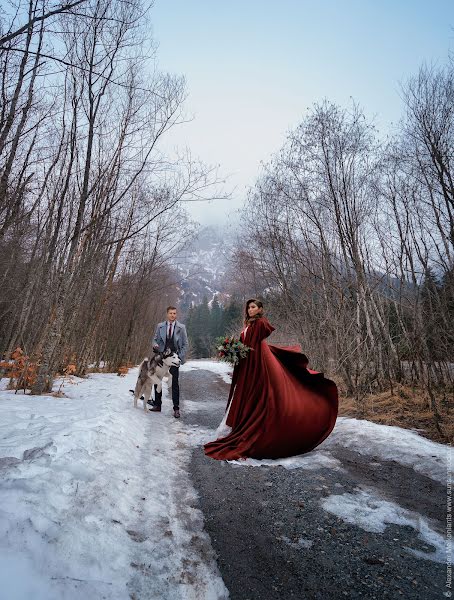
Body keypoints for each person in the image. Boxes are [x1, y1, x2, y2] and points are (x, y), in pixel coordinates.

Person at [204, 299, 338, 460]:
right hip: (248, 365)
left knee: (260, 396)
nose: (250, 310)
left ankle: (262, 431)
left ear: (260, 309)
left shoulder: (260, 323)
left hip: (257, 364)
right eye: (248, 307)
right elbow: (245, 344)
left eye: (253, 307)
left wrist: (243, 347)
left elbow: (262, 333)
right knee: (244, 396)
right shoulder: (249, 324)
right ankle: (238, 426)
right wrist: (231, 349)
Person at [149, 306, 188, 419]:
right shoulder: (160, 326)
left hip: (174, 359)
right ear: (167, 314)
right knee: (157, 381)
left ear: (176, 315)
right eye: (170, 313)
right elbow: (155, 339)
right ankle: (157, 405)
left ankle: (176, 409)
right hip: (161, 358)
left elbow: (186, 344)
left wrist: (179, 357)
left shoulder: (181, 327)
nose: (172, 315)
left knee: (175, 383)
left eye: (174, 313)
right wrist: (155, 345)